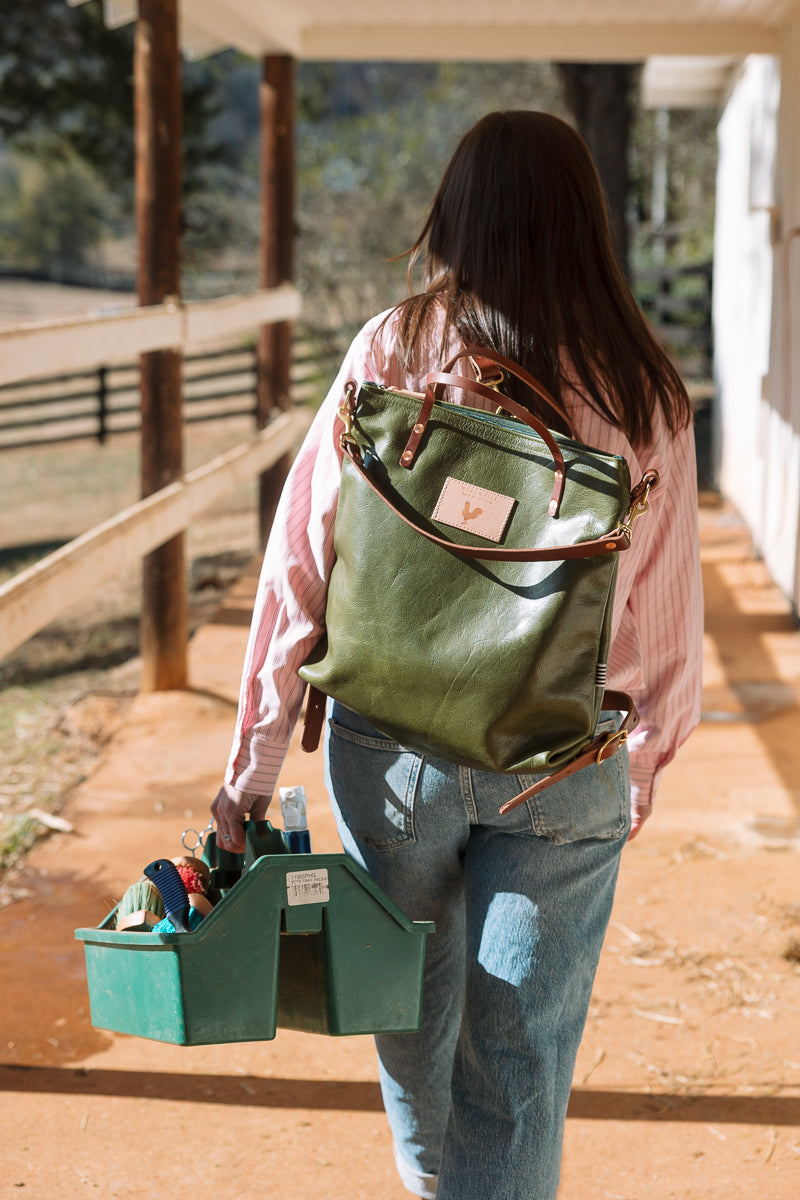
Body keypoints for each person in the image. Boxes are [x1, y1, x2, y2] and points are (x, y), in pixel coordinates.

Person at [211, 110, 703, 1200]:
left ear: (455, 214)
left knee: (411, 1015)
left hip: (388, 753)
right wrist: (638, 773)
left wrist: (249, 763)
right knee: (517, 1062)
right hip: (560, 766)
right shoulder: (643, 390)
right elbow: (664, 633)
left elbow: (301, 560)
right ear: (588, 225)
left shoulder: (390, 350)